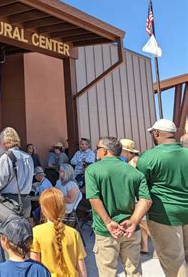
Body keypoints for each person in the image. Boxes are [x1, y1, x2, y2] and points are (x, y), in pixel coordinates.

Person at [86, 136, 152, 277]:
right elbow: (146, 200)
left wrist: (108, 222)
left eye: (97, 149)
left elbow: (94, 198)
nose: (96, 152)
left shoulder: (92, 170)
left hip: (106, 231)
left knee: (107, 273)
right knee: (134, 271)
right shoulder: (135, 173)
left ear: (104, 151)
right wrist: (134, 221)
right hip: (131, 230)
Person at [137, 119, 188, 276]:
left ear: (157, 133)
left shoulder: (148, 157)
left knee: (174, 261)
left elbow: (140, 188)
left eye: (152, 133)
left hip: (163, 216)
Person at [31, 188, 87, 277]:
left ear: (43, 209)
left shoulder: (36, 232)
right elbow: (82, 270)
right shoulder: (74, 233)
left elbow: (35, 268)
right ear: (63, 208)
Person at [0, 127, 34, 219]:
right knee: (22, 231)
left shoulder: (6, 157)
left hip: (10, 203)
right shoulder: (28, 157)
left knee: (7, 232)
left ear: (4, 141)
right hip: (26, 201)